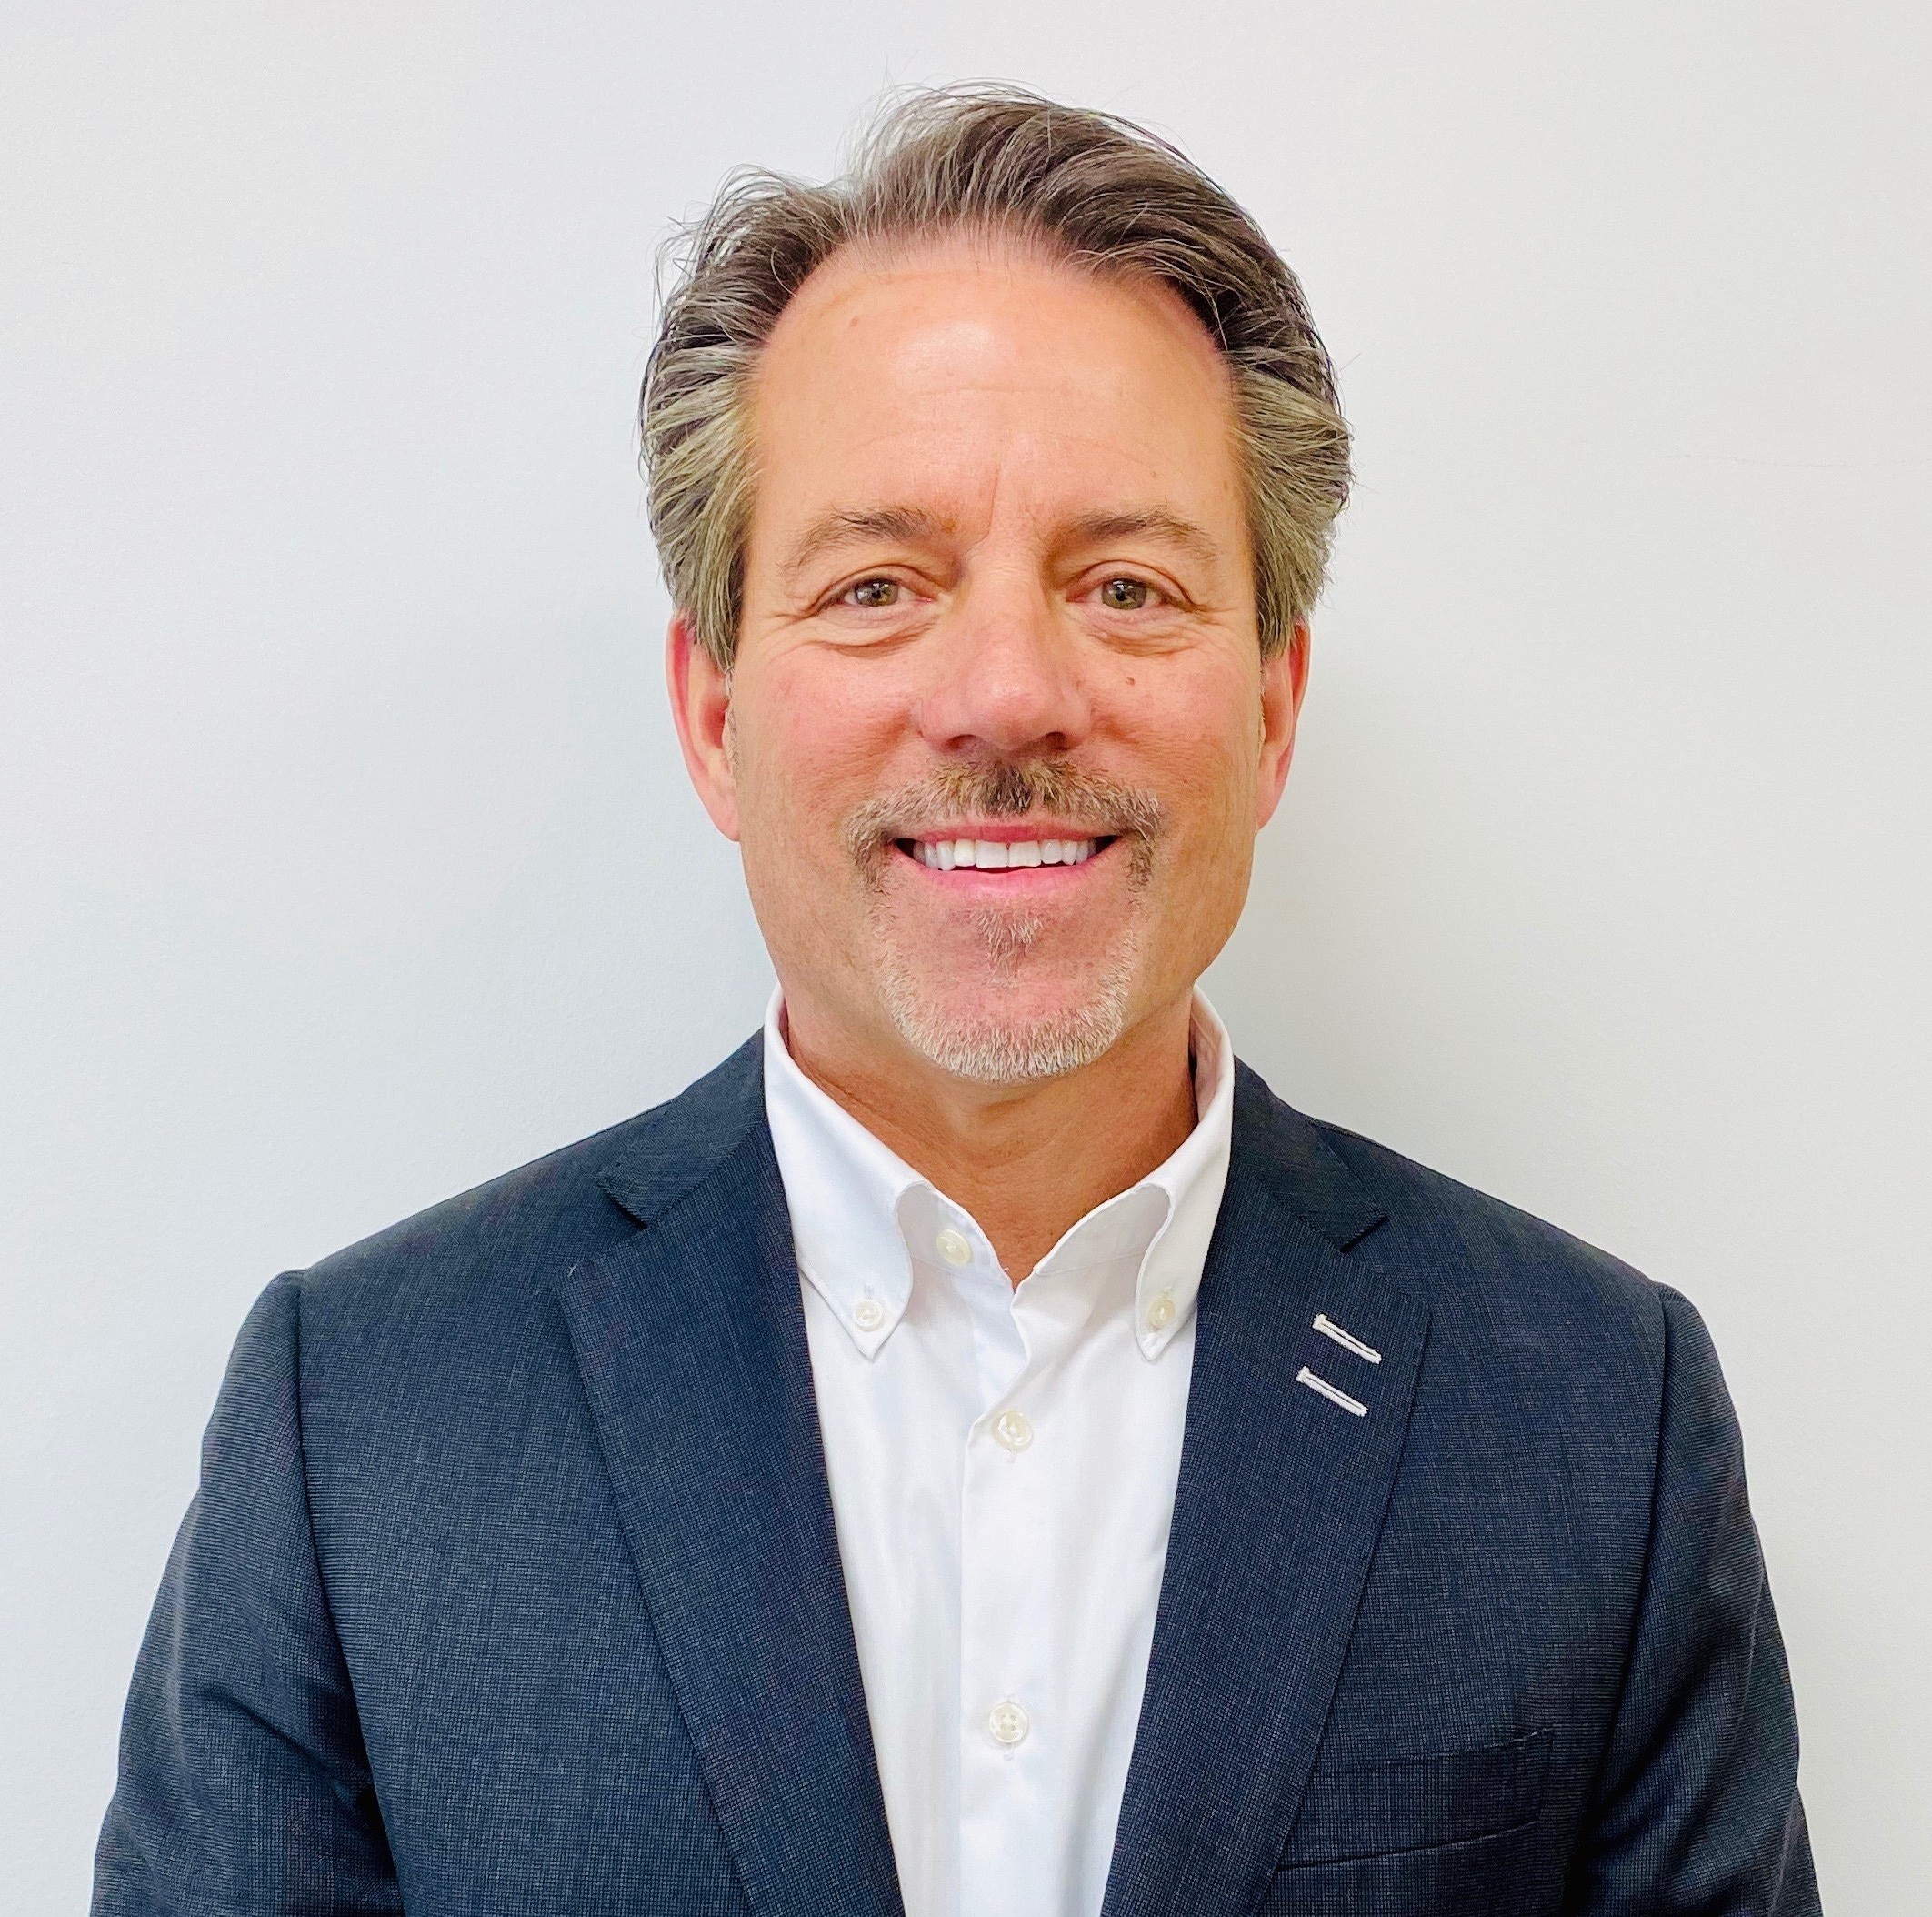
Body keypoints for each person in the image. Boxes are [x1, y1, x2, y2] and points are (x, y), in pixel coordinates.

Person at [93, 86, 1818, 1917]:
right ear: (714, 714)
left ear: (1269, 706)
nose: (1004, 691)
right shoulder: (363, 1418)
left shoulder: (1589, 1424)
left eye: (1127, 583)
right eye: (878, 584)